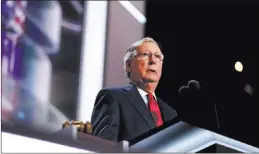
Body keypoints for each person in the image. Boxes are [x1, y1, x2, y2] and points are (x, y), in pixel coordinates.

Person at [91, 37, 178, 142]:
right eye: (145, 55)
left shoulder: (171, 114)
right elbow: (102, 147)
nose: (153, 61)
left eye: (158, 56)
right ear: (129, 65)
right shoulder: (113, 97)